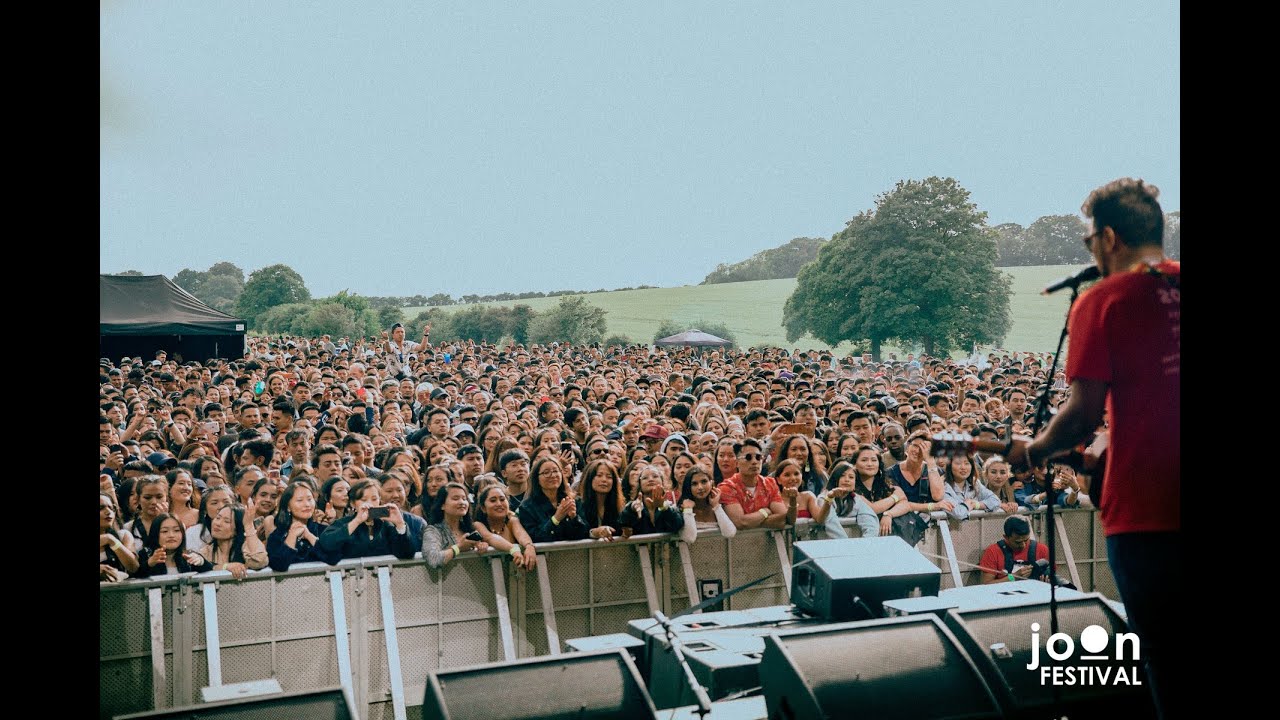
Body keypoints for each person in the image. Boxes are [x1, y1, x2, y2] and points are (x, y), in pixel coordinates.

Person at [1008, 178, 1178, 719]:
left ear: (1108, 238)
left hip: (1149, 515)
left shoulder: (1101, 301)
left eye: (1088, 243)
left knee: (1166, 660)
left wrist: (1036, 449)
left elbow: (1082, 412)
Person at [314, 479, 419, 563]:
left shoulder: (386, 525)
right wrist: (357, 521)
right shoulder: (343, 523)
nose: (369, 504)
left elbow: (407, 553)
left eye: (374, 499)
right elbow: (327, 544)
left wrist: (400, 524)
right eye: (364, 500)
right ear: (352, 503)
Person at [718, 439, 788, 531]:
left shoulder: (770, 483)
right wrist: (765, 512)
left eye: (758, 457)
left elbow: (782, 518)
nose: (754, 462)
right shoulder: (726, 487)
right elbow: (741, 522)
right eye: (748, 457)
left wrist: (752, 521)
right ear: (737, 463)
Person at [516, 457, 590, 543]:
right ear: (537, 478)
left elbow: (585, 534)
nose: (553, 475)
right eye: (546, 472)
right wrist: (556, 519)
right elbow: (535, 538)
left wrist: (574, 517)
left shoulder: (574, 500)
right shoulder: (527, 507)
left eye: (556, 471)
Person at [421, 482, 490, 568]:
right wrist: (458, 548)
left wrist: (482, 546)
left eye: (464, 499)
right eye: (455, 498)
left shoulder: (471, 528)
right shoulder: (433, 531)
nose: (462, 502)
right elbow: (433, 559)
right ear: (442, 505)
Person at [473, 484, 538, 570]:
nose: (499, 504)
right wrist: (513, 549)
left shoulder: (512, 521)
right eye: (493, 500)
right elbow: (490, 537)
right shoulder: (478, 525)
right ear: (483, 508)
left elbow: (521, 534)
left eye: (502, 499)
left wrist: (529, 546)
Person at [267, 481, 329, 571]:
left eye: (309, 499)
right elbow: (279, 565)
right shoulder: (276, 536)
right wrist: (292, 536)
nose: (307, 505)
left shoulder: (324, 531)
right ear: (288, 506)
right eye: (300, 500)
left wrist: (309, 536)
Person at [198, 505, 269, 579]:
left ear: (237, 528)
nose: (218, 523)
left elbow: (260, 561)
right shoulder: (207, 551)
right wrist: (225, 566)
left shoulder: (246, 547)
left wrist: (248, 526)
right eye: (218, 518)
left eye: (226, 521)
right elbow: (198, 567)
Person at [978, 516, 1051, 585]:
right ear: (1006, 537)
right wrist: (1013, 577)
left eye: (1026, 540)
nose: (1023, 545)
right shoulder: (993, 552)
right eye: (1018, 542)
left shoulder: (1042, 549)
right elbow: (986, 585)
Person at [677, 465, 737, 539]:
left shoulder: (719, 505)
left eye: (704, 482)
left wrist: (716, 506)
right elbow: (689, 538)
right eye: (694, 484)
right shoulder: (683, 508)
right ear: (688, 487)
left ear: (711, 483)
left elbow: (730, 533)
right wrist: (688, 510)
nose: (700, 487)